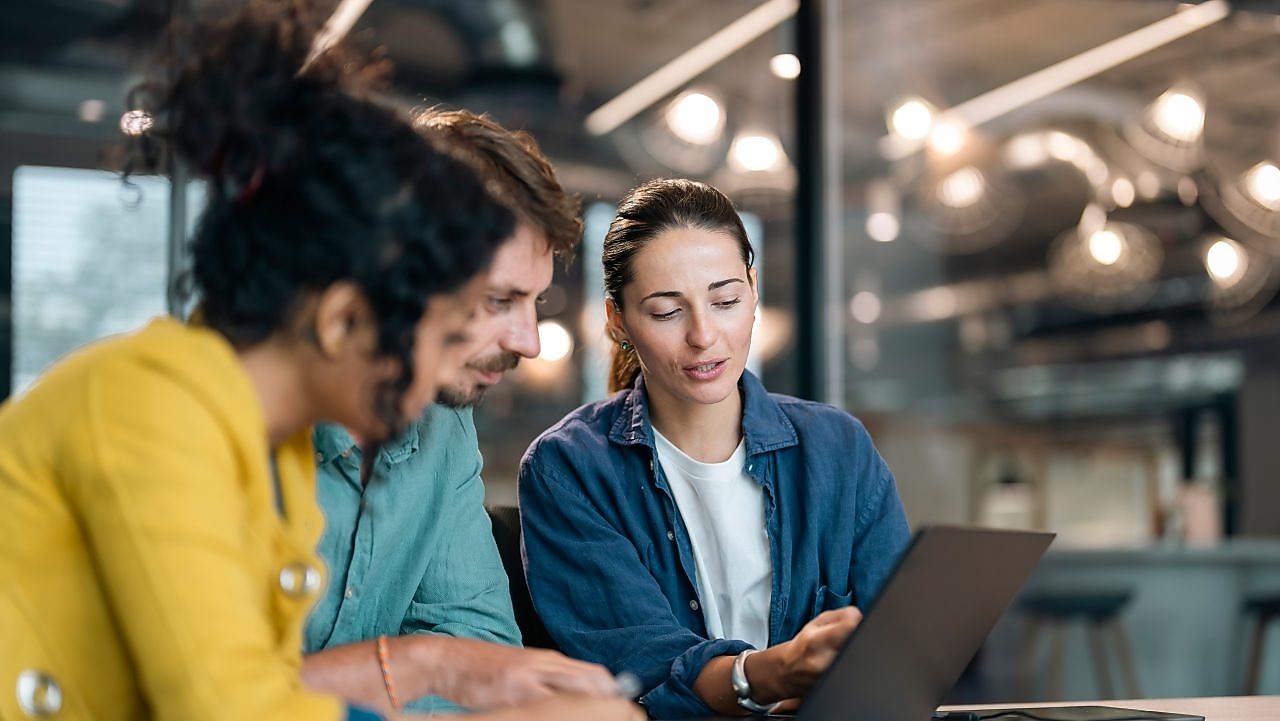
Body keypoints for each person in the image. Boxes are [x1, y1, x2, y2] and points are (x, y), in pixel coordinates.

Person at [0, 5, 638, 721]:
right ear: (340, 318)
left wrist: (444, 667)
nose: (438, 367)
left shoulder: (266, 449)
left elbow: (271, 688)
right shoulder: (152, 407)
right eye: (437, 327)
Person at [517, 178, 912, 719]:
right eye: (665, 312)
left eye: (725, 300)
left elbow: (901, 653)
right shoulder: (568, 469)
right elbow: (642, 672)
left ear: (753, 292)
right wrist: (772, 675)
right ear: (618, 321)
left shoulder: (839, 449)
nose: (704, 336)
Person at [300, 109, 619, 713]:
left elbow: (483, 645)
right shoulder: (224, 426)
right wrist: (425, 666)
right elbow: (216, 693)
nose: (528, 340)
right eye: (500, 299)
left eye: (536, 300)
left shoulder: (442, 427)